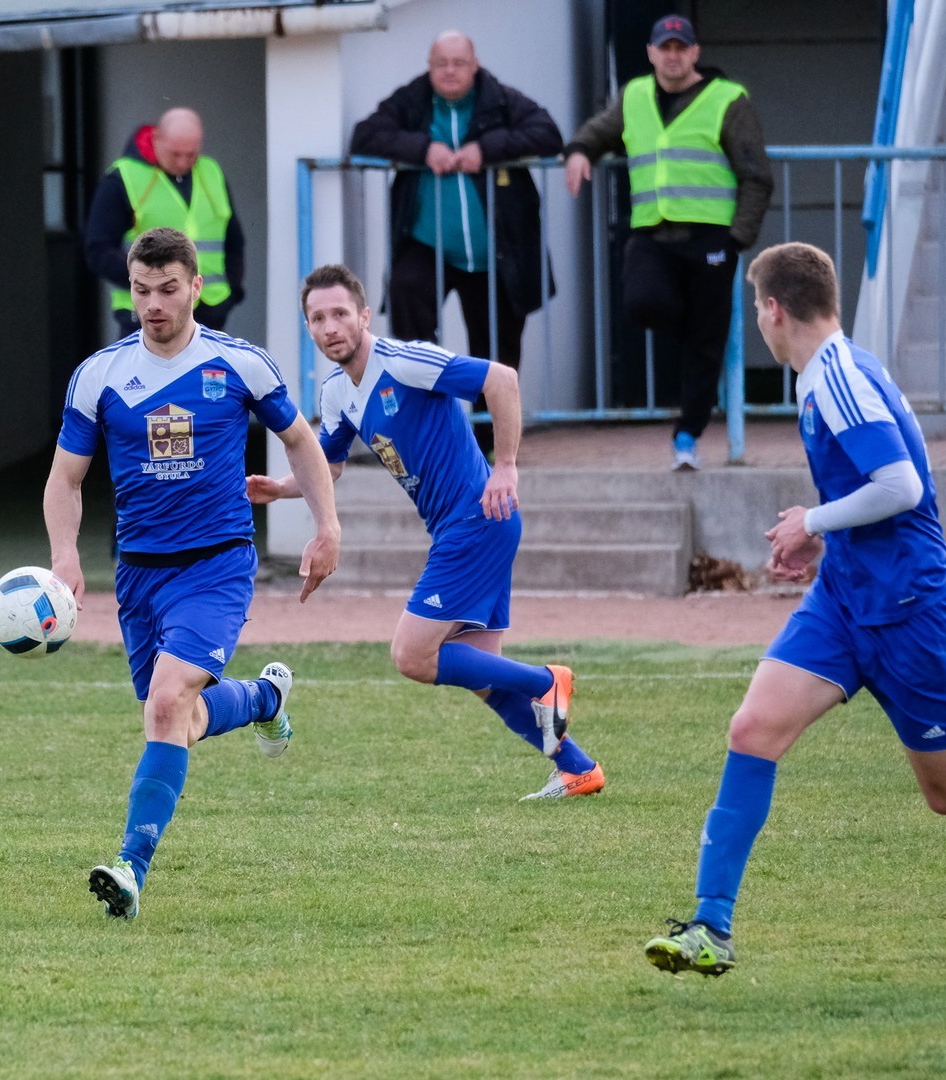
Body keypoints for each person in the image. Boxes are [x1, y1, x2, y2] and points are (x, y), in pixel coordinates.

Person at [644, 242, 946, 977]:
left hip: (916, 613)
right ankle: (710, 927)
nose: (756, 320)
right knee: (753, 730)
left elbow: (901, 487)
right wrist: (822, 543)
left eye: (755, 307)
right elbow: (876, 494)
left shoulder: (840, 377)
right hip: (844, 601)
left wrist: (813, 522)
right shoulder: (820, 376)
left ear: (774, 309)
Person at [43, 227, 340, 920]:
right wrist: (64, 553)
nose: (152, 304)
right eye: (140, 290)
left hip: (217, 564)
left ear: (197, 287)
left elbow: (301, 442)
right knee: (179, 716)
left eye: (168, 289)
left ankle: (131, 869)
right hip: (139, 573)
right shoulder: (100, 375)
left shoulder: (239, 364)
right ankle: (264, 699)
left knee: (167, 702)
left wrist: (326, 526)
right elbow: (65, 478)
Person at [249, 264, 604, 802]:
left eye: (340, 313)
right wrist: (279, 488)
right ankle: (578, 769)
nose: (330, 327)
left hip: (477, 518)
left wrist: (506, 466)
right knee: (482, 677)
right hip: (463, 528)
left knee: (411, 656)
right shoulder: (336, 393)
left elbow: (501, 380)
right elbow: (328, 465)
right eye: (317, 318)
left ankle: (545, 682)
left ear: (364, 316)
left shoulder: (404, 360)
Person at [564, 14, 773, 471]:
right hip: (652, 233)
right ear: (651, 53)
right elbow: (599, 131)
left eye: (681, 47)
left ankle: (686, 436)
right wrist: (579, 151)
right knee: (644, 303)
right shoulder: (634, 94)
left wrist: (738, 238)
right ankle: (692, 339)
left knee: (705, 343)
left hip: (711, 236)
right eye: (665, 47)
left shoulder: (727, 99)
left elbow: (757, 175)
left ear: (695, 52)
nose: (673, 55)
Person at [349, 31, 562, 375]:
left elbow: (548, 134)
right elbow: (365, 136)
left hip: (496, 250)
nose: (450, 70)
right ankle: (424, 400)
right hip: (428, 244)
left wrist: (486, 150)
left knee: (495, 358)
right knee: (407, 301)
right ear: (429, 66)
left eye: (459, 63)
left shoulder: (500, 99)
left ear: (475, 65)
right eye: (441, 63)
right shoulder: (412, 99)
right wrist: (423, 150)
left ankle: (489, 413)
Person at [84, 106, 246, 340]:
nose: (183, 162)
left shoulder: (211, 171)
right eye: (175, 154)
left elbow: (234, 241)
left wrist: (232, 292)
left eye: (191, 154)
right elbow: (98, 249)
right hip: (146, 315)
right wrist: (151, 284)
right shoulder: (123, 177)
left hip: (208, 311)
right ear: (156, 138)